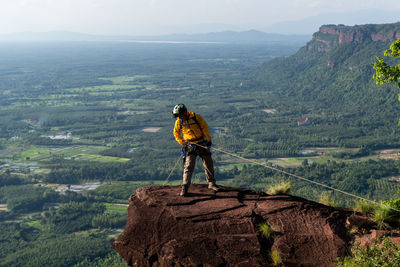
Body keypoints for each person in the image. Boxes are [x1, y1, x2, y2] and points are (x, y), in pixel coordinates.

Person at [172, 103, 219, 196]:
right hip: (190, 145)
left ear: (185, 113)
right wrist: (182, 143)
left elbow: (205, 128)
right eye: (178, 116)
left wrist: (208, 140)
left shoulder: (196, 117)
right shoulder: (179, 122)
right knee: (189, 165)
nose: (179, 117)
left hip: (201, 142)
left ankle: (211, 183)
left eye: (180, 115)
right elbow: (176, 133)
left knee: (208, 163)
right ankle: (185, 187)